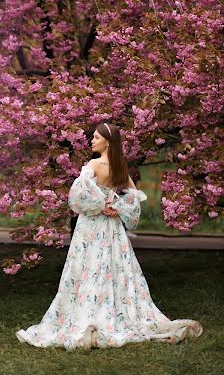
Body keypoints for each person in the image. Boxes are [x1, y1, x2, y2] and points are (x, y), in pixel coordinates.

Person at [16, 122, 203, 350]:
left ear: (107, 141)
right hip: (112, 226)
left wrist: (99, 204)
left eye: (96, 137)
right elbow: (134, 196)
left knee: (87, 266)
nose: (92, 141)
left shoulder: (93, 164)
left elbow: (78, 193)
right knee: (115, 265)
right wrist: (117, 206)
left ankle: (89, 311)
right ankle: (115, 308)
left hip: (91, 226)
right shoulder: (120, 166)